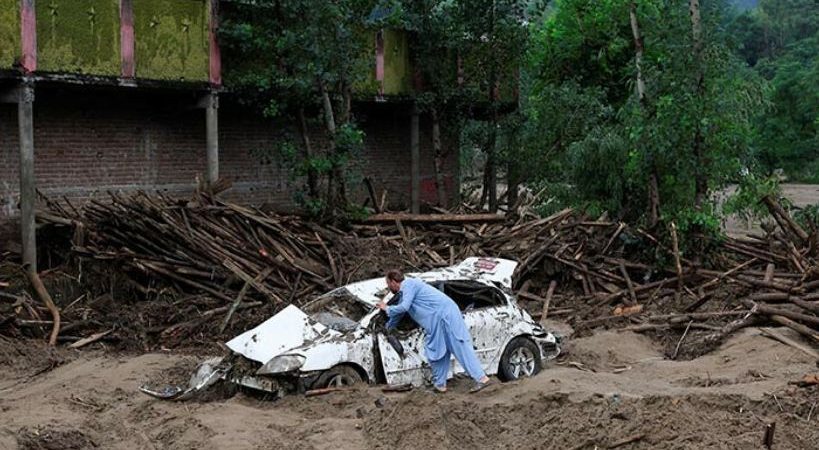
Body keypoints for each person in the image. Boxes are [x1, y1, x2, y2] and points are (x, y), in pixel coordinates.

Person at [377, 269, 492, 393]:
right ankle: (440, 385)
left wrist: (387, 308)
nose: (388, 287)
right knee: (437, 353)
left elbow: (404, 307)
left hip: (446, 317)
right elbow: (399, 312)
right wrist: (388, 326)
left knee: (460, 347)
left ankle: (482, 379)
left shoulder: (409, 284)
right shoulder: (404, 293)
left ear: (393, 282)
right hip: (436, 323)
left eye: (388, 284)